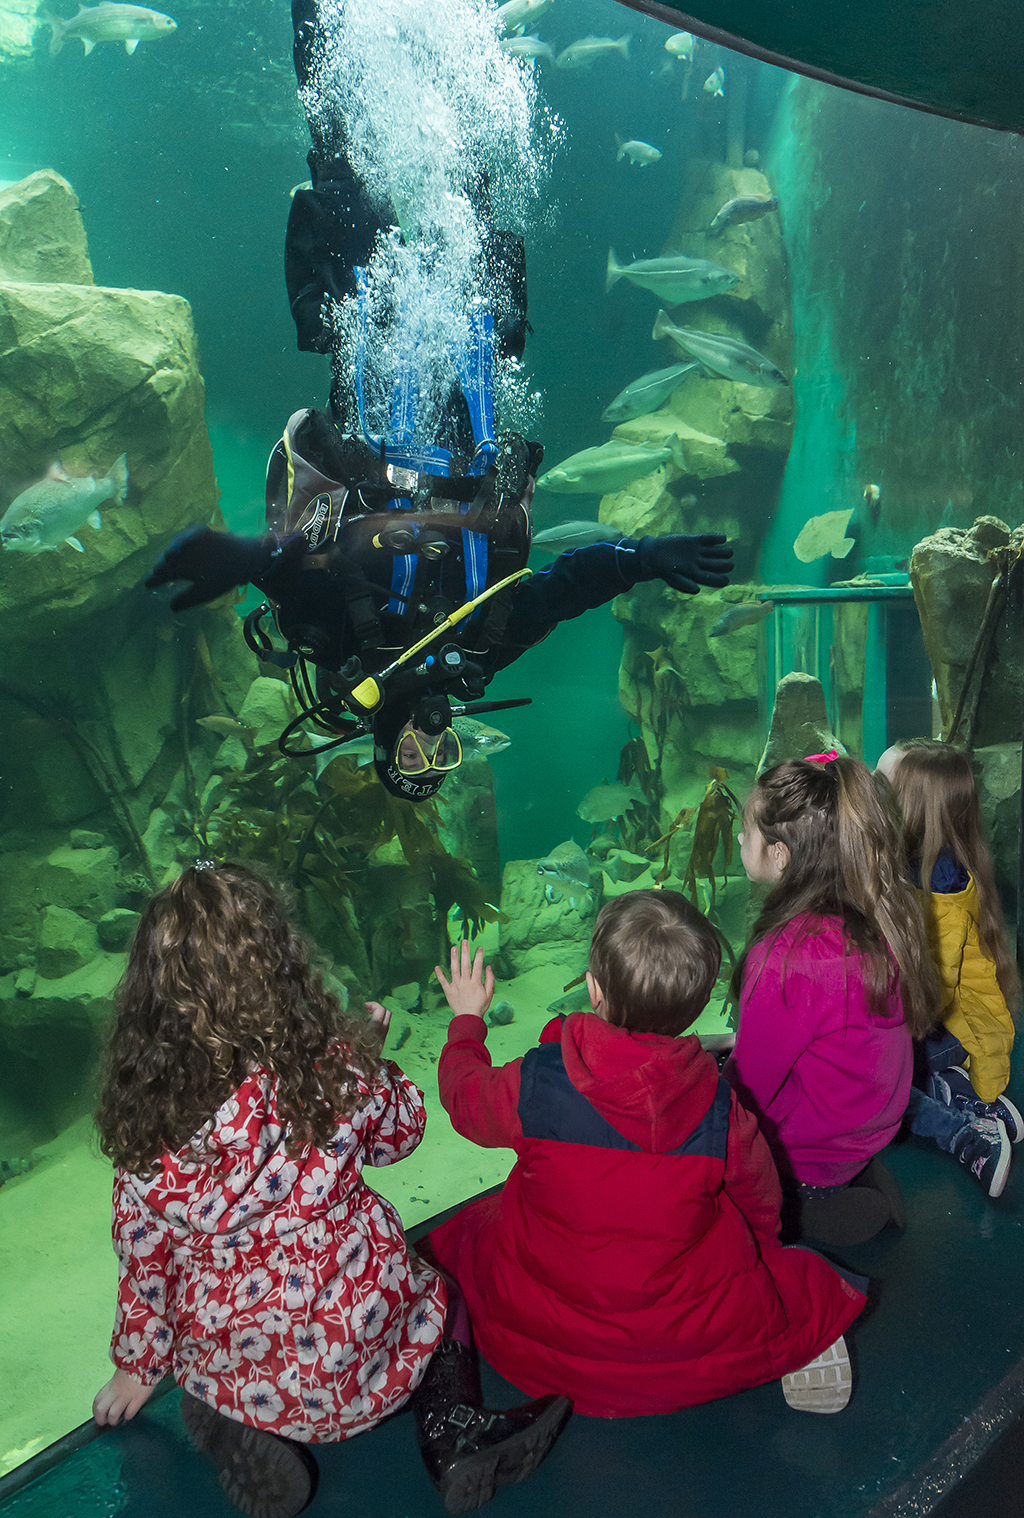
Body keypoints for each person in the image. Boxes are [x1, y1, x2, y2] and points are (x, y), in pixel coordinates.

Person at [90, 862, 570, 1518]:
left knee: (197, 1372)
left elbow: (146, 1268)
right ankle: (451, 1430)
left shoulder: (149, 1137)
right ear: (282, 968)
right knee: (442, 1295)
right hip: (368, 1338)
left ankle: (222, 1424)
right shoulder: (334, 1070)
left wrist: (136, 1368)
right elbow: (401, 1134)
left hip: (246, 1367)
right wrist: (366, 1052)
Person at [423, 897, 866, 1421]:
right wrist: (760, 1250)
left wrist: (468, 1022)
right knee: (800, 1284)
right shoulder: (718, 1110)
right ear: (700, 1006)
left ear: (592, 988)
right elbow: (761, 1201)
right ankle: (792, 1343)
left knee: (462, 1237)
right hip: (681, 1333)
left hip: (545, 1350)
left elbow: (463, 1098)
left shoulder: (537, 1083)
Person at [724, 752, 940, 1246]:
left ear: (780, 855)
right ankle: (852, 1176)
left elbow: (747, 1089)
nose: (739, 838)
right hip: (866, 1119)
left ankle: (818, 1206)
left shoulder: (787, 957)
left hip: (815, 1146)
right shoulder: (874, 912)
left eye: (749, 831)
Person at [876, 740, 1021, 1195]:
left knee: (863, 1076)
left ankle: (960, 1129)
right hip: (938, 1032)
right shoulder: (926, 867)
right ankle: (947, 1087)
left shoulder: (938, 888)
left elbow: (918, 1002)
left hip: (940, 1033)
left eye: (880, 784)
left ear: (910, 806)